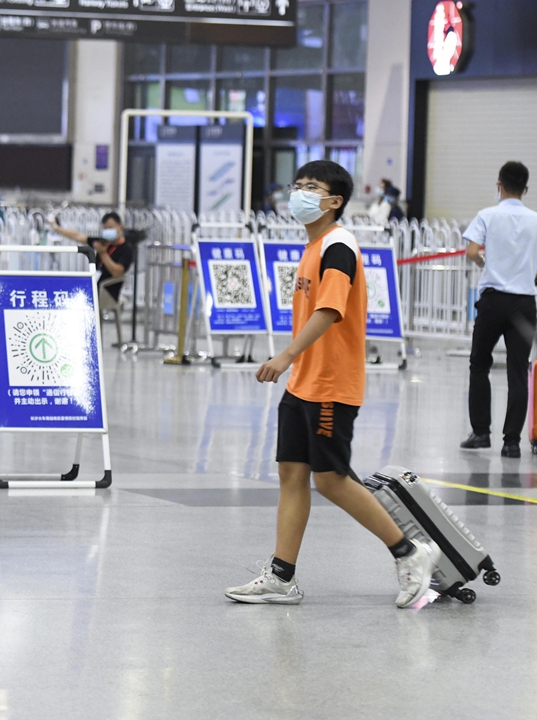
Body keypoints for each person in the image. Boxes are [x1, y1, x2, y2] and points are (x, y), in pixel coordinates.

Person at [225, 159, 440, 608]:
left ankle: (410, 552)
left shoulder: (338, 245)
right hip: (304, 383)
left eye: (311, 187)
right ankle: (281, 577)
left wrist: (285, 356)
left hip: (330, 383)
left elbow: (330, 310)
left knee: (332, 480)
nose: (298, 193)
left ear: (334, 201)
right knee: (291, 475)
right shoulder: (314, 244)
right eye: (296, 185)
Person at [459, 161, 537, 457]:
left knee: (480, 363)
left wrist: (484, 264)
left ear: (499, 186)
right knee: (518, 371)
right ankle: (512, 442)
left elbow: (471, 252)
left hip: (492, 300)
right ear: (526, 189)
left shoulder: (487, 215)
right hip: (523, 302)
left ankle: (480, 433)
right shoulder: (535, 219)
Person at [51, 211, 140, 305]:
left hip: (107, 290)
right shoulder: (103, 242)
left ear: (120, 227)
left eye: (110, 228)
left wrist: (103, 253)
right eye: (105, 229)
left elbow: (117, 272)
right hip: (94, 284)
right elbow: (79, 236)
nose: (108, 231)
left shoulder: (126, 249)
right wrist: (57, 228)